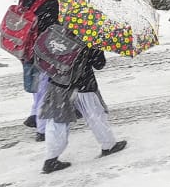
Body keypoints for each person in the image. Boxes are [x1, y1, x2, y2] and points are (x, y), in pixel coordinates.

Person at [39, 39, 127, 173]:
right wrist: (98, 47)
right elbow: (99, 64)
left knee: (57, 122)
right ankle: (108, 145)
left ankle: (50, 159)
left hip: (58, 82)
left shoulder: (61, 29)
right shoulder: (91, 37)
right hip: (83, 83)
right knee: (95, 115)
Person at [18, 0, 61, 141]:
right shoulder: (49, 2)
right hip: (42, 50)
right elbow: (52, 29)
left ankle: (34, 114)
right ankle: (42, 130)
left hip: (26, 47)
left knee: (37, 84)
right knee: (45, 88)